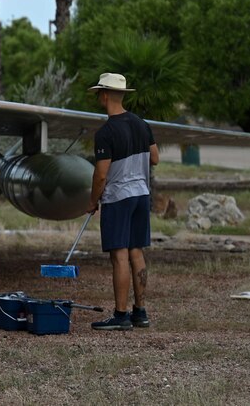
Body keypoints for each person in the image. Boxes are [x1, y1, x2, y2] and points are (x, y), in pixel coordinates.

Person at [86, 72, 159, 331]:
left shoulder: (105, 132)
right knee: (136, 251)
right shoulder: (142, 124)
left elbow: (101, 174)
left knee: (119, 255)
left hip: (118, 197)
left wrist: (92, 201)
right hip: (141, 195)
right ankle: (140, 312)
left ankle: (120, 315)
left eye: (98, 93)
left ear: (104, 95)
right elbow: (155, 158)